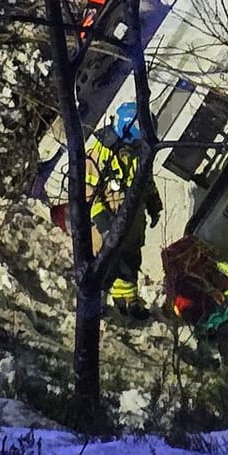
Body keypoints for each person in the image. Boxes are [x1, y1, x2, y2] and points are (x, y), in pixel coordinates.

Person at [85, 102, 162, 319]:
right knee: (103, 267)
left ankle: (128, 302)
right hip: (105, 228)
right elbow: (87, 194)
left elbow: (147, 180)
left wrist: (154, 205)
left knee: (130, 265)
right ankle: (94, 305)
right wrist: (103, 223)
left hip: (132, 225)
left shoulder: (139, 153)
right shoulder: (98, 156)